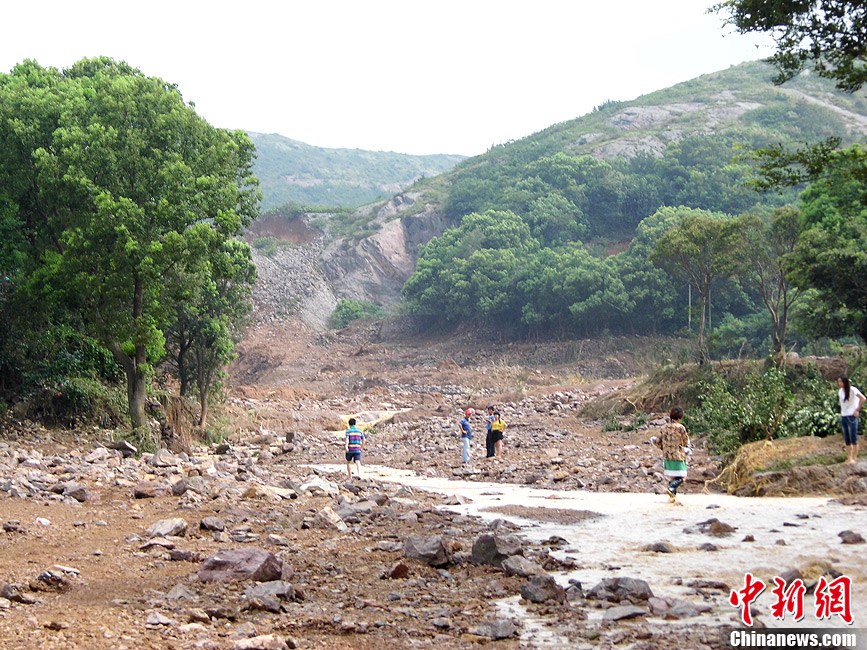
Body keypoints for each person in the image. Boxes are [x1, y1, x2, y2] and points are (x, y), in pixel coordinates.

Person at [651, 406, 691, 502]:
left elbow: (658, 441)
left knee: (673, 477)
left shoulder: (664, 427)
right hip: (678, 456)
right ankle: (671, 488)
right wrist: (687, 449)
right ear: (680, 417)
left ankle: (672, 499)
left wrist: (662, 447)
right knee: (682, 477)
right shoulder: (681, 428)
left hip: (667, 456)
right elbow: (686, 442)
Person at [837, 375, 865, 464]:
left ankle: (854, 457)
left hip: (852, 415)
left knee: (853, 437)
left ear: (845, 382)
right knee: (847, 438)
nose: (839, 384)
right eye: (838, 382)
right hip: (844, 416)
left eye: (841, 381)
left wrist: (857, 410)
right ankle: (849, 457)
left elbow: (863, 398)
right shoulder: (840, 391)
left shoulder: (853, 389)